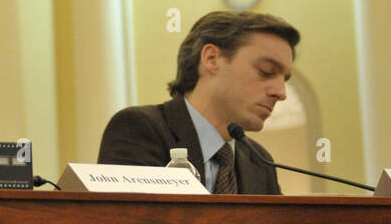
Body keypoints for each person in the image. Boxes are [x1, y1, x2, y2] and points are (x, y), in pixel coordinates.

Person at [97, 11, 299, 194]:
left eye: (284, 79)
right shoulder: (139, 130)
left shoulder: (259, 161)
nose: (281, 93)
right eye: (266, 71)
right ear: (211, 59)